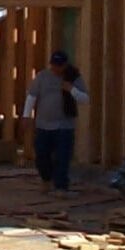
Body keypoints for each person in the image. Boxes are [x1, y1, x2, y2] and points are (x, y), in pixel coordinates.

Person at [22, 50, 90, 195]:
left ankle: (61, 186)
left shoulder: (73, 77)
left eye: (59, 66)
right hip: (43, 124)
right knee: (41, 155)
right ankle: (46, 180)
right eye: (54, 65)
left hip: (64, 125)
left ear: (65, 65)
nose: (56, 69)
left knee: (62, 157)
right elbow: (32, 96)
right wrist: (26, 115)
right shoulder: (42, 76)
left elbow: (85, 99)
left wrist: (71, 89)